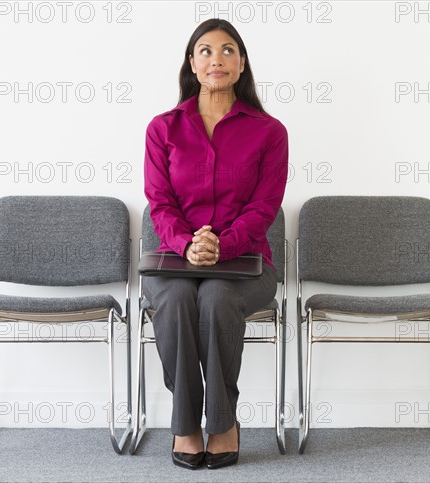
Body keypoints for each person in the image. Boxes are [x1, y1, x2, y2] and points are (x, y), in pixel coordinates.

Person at [142, 18, 288, 470]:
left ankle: (223, 421)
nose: (216, 59)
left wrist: (220, 246)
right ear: (191, 63)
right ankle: (186, 423)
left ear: (241, 64)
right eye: (205, 50)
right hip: (174, 260)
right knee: (179, 298)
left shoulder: (269, 131)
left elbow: (265, 208)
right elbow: (159, 202)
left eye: (228, 51)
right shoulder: (163, 128)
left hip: (245, 264)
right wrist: (189, 244)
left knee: (217, 298)